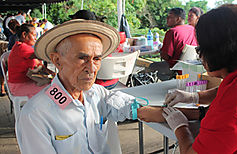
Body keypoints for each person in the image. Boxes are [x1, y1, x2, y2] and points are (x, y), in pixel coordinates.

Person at [157, 4, 237, 153]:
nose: (199, 54)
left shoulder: (235, 102)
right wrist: (193, 97)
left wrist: (181, 128)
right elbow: (230, 90)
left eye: (200, 48)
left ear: (217, 51)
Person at [16, 19, 146, 154]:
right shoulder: (35, 115)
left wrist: (149, 111)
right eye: (82, 58)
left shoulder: (96, 93)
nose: (91, 68)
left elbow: (120, 104)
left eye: (96, 59)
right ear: (57, 60)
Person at [148, 8, 198, 80]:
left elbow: (166, 56)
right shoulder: (192, 29)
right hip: (188, 66)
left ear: (178, 19)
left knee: (151, 66)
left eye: (170, 17)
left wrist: (161, 51)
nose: (167, 19)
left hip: (174, 67)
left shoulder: (172, 32)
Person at [8, 24, 50, 98]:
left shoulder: (23, 46)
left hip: (24, 83)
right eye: (34, 35)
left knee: (53, 85)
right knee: (53, 89)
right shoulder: (21, 47)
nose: (35, 38)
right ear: (24, 34)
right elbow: (41, 56)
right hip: (19, 87)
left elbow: (39, 65)